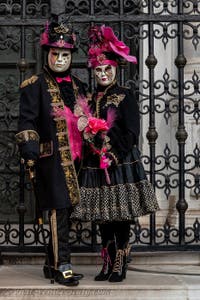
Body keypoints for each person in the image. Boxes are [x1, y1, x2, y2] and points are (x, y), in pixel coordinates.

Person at [71, 25, 159, 282]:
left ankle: (120, 262)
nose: (103, 74)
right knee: (102, 216)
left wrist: (114, 154)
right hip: (95, 163)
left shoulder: (125, 95)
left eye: (107, 69)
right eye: (98, 70)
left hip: (119, 162)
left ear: (115, 69)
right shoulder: (89, 97)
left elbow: (132, 131)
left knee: (120, 214)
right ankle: (107, 262)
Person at [15, 14, 88, 286]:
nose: (60, 60)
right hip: (51, 158)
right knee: (58, 210)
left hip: (78, 160)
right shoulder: (34, 86)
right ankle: (63, 266)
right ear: (47, 53)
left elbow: (86, 119)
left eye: (65, 55)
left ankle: (49, 262)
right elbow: (26, 121)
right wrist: (30, 150)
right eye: (55, 54)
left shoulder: (79, 86)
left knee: (66, 212)